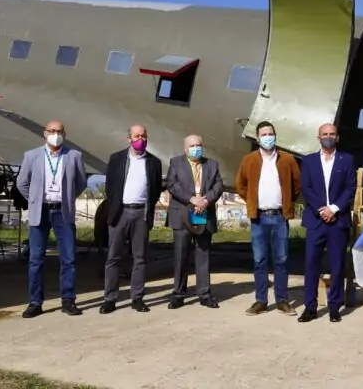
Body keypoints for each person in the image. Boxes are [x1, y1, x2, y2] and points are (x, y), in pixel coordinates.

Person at [16, 120, 87, 318]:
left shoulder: (74, 156)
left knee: (69, 258)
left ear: (65, 133)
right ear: (44, 133)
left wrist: (68, 198)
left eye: (60, 131)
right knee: (36, 259)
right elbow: (22, 183)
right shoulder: (32, 156)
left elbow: (80, 183)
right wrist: (35, 199)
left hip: (63, 212)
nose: (56, 134)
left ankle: (68, 300)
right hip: (40, 211)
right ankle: (35, 302)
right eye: (52, 131)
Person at [235, 121, 301, 317]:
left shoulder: (287, 159)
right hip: (259, 218)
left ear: (275, 136)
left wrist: (287, 202)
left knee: (281, 259)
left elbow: (297, 185)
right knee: (259, 260)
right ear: (257, 138)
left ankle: (282, 300)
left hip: (280, 217)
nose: (267, 137)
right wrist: (252, 201)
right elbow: (240, 185)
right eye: (263, 134)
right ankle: (261, 301)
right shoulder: (249, 160)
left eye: (270, 133)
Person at [100, 124, 163, 314]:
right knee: (113, 257)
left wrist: (146, 208)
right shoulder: (117, 158)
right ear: (129, 139)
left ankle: (137, 298)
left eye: (144, 136)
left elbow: (155, 189)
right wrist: (116, 207)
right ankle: (110, 298)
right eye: (137, 136)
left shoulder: (154, 162)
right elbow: (110, 186)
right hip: (120, 213)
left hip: (141, 214)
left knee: (140, 258)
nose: (141, 139)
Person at [298, 123, 356, 323]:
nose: (328, 137)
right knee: (311, 264)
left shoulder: (347, 160)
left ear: (337, 137)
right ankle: (310, 307)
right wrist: (322, 209)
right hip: (316, 220)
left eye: (332, 134)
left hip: (338, 221)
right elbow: (306, 187)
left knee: (337, 265)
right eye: (325, 134)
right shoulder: (309, 161)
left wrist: (335, 209)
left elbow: (350, 188)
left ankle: (334, 306)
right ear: (318, 137)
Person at [165, 134, 225, 309]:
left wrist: (205, 201)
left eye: (198, 145)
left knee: (203, 253)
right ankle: (178, 294)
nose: (196, 148)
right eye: (192, 146)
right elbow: (172, 184)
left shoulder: (212, 165)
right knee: (181, 255)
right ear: (185, 149)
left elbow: (218, 186)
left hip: (203, 213)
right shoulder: (176, 163)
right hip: (183, 213)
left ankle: (204, 293)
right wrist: (192, 199)